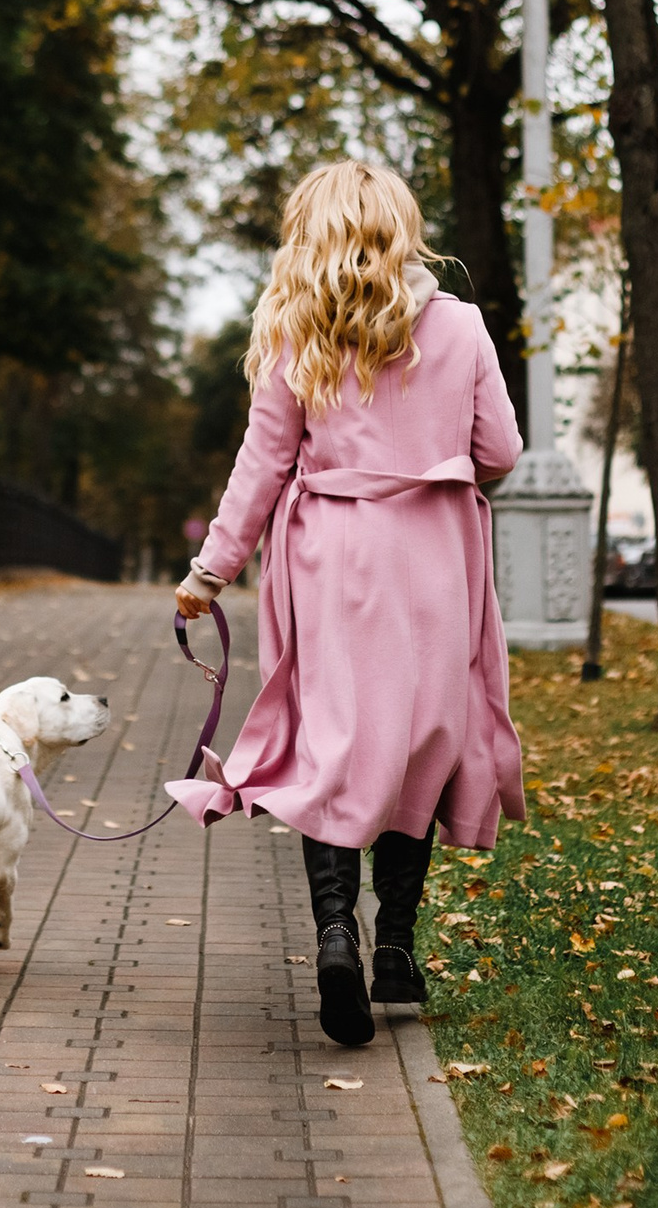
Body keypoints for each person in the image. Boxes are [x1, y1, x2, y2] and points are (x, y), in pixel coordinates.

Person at [168, 159, 525, 1047]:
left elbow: (262, 466)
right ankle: (397, 947)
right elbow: (502, 450)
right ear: (403, 227)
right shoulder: (461, 326)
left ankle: (338, 934)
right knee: (420, 744)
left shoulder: (299, 334)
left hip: (333, 560)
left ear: (311, 235)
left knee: (333, 745)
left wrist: (210, 570)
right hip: (436, 556)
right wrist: (435, 468)